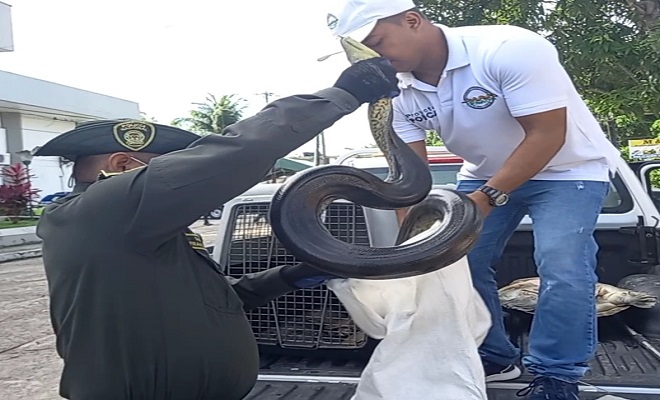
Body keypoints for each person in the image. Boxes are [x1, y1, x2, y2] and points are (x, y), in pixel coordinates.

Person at [33, 58, 400, 400]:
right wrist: (341, 96)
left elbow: (211, 301)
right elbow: (237, 151)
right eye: (162, 168)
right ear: (121, 164)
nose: (182, 180)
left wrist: (291, 276)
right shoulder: (104, 208)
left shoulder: (131, 226)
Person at [328, 1, 621, 399]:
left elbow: (547, 135)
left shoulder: (507, 48)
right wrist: (418, 242)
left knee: (562, 262)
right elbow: (410, 180)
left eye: (378, 42)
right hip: (482, 172)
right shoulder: (394, 93)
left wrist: (489, 196)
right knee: (454, 259)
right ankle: (494, 355)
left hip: (569, 169)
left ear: (412, 21)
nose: (376, 58)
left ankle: (558, 374)